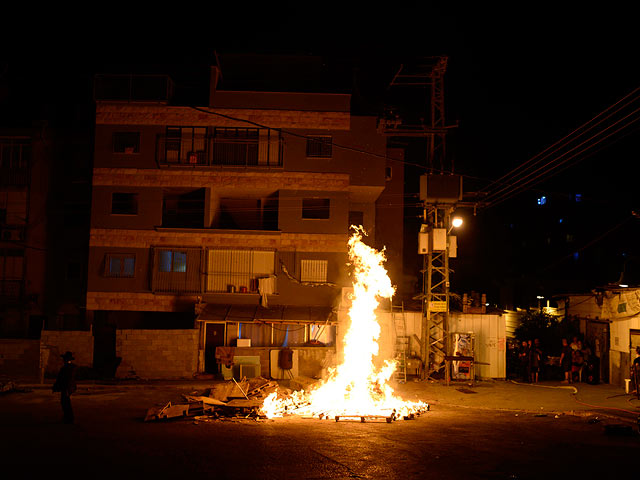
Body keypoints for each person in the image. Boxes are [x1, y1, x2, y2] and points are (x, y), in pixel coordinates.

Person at [52, 351, 77, 424]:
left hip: (66, 387)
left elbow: (64, 379)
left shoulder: (67, 368)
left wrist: (58, 387)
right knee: (65, 402)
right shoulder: (72, 367)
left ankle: (69, 417)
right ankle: (68, 417)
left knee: (65, 402)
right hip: (68, 387)